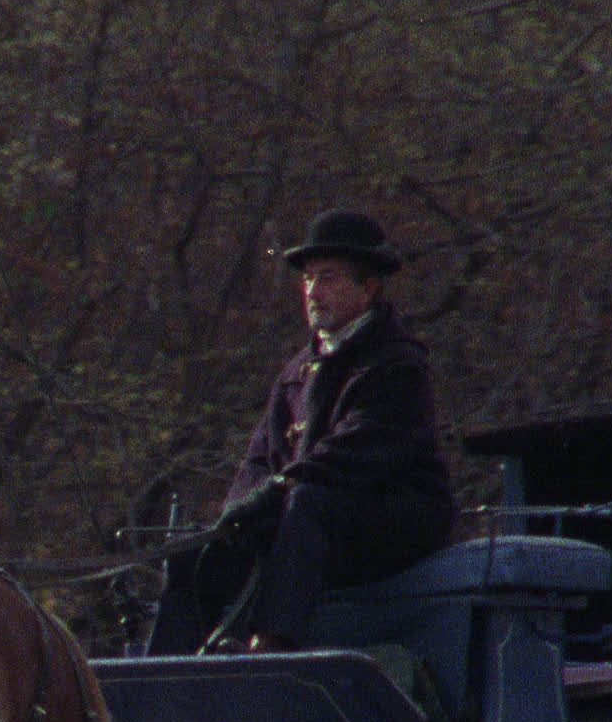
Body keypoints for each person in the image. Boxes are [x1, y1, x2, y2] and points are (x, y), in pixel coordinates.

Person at [183, 209, 455, 652]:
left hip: (389, 521)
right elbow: (258, 459)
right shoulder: (296, 372)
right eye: (308, 279)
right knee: (201, 547)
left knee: (309, 501)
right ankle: (172, 664)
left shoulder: (396, 365)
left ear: (367, 288)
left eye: (326, 278)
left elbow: (357, 453)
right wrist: (238, 512)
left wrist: (279, 489)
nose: (311, 292)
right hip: (313, 518)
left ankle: (271, 645)